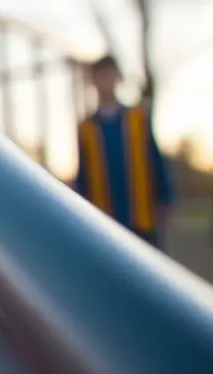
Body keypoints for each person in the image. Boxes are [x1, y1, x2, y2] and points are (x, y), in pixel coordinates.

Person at [74, 55, 176, 248]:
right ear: (93, 81)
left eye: (109, 75)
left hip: (141, 220)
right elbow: (83, 176)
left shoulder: (137, 119)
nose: (105, 82)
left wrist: (166, 199)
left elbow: (156, 161)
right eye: (100, 76)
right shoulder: (87, 128)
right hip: (103, 222)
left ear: (118, 77)